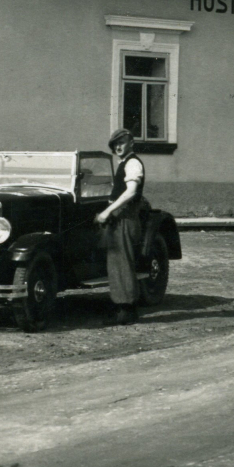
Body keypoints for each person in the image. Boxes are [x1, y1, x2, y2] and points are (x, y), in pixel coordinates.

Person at [96, 128, 146, 325]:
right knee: (117, 263)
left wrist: (108, 211)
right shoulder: (124, 163)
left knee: (122, 263)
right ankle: (122, 307)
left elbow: (131, 192)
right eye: (115, 144)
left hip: (125, 218)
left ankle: (127, 310)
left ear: (131, 143)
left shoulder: (133, 163)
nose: (118, 146)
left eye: (122, 142)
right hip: (120, 218)